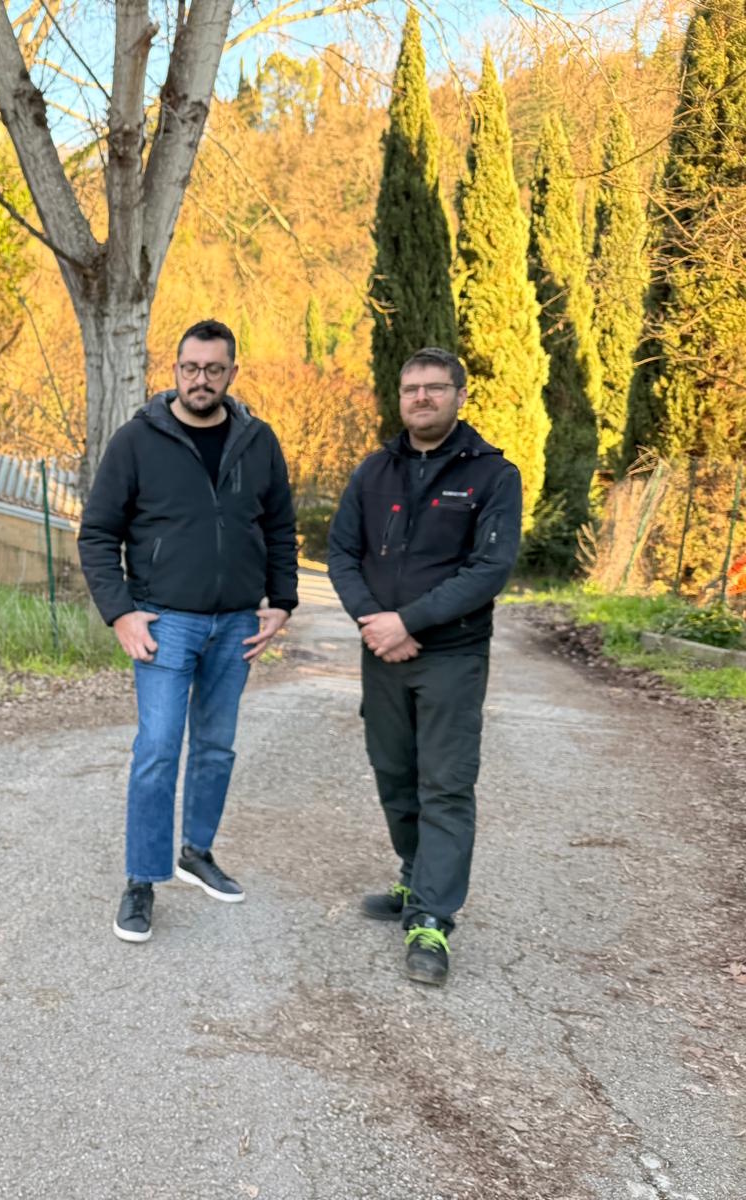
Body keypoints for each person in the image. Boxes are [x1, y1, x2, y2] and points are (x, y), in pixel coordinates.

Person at [78, 319, 298, 944]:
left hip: (236, 626)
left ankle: (196, 851)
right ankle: (142, 879)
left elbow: (280, 528)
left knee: (217, 746)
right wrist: (120, 612)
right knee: (158, 750)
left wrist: (281, 601)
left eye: (213, 369)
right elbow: (97, 535)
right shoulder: (137, 441)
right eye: (189, 368)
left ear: (232, 372)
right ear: (173, 370)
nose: (200, 380)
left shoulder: (258, 441)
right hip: (164, 623)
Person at [325, 347, 522, 986]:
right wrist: (373, 622)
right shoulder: (373, 471)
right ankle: (415, 875)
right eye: (412, 388)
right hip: (381, 650)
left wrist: (409, 621)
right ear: (400, 396)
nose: (422, 398)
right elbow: (342, 554)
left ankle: (432, 919)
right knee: (393, 774)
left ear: (460, 395)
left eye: (435, 388)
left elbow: (489, 570)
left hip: (452, 655)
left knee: (446, 784)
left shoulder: (493, 476)